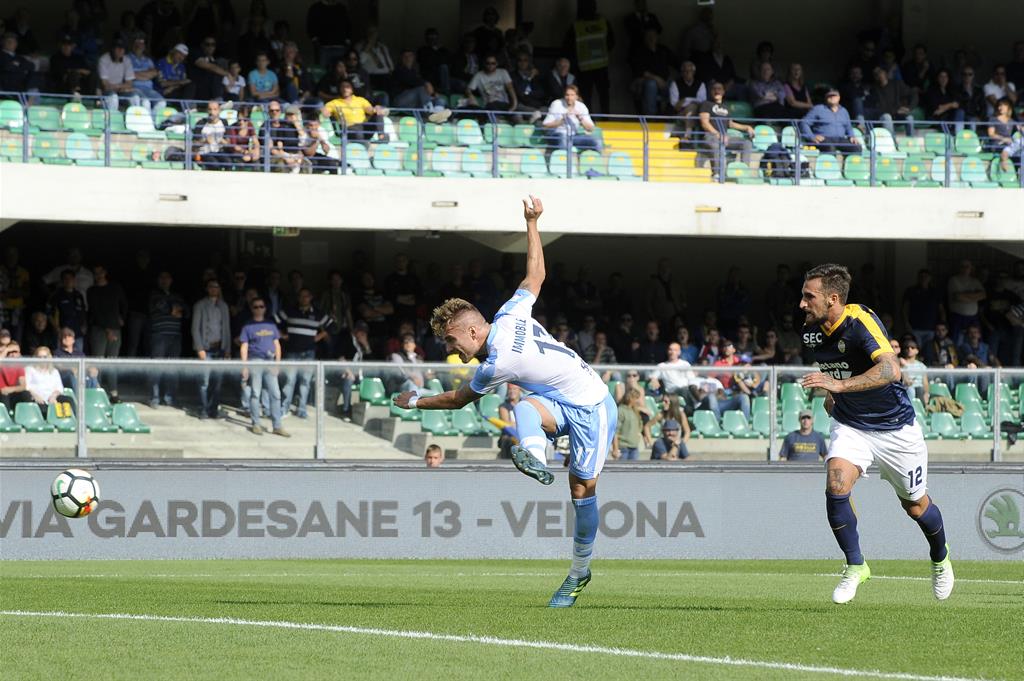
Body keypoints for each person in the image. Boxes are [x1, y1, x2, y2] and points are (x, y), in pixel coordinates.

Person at [394, 196, 616, 608]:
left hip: (593, 405)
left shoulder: (497, 364)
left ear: (472, 332)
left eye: (452, 340)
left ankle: (578, 572)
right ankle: (535, 456)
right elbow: (536, 275)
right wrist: (532, 223)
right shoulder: (510, 313)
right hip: (558, 400)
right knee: (525, 406)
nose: (452, 349)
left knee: (581, 488)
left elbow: (458, 400)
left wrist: (415, 401)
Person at [797, 263, 953, 604]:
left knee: (916, 507)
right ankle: (856, 566)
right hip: (851, 424)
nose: (802, 304)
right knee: (836, 483)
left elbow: (891, 369)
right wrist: (833, 393)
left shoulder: (860, 322)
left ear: (832, 298)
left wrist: (839, 385)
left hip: (895, 428)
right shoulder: (810, 331)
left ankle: (940, 557)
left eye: (809, 297)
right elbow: (838, 368)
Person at [277, 288, 332, 419]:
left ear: (310, 297)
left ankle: (302, 409)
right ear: (298, 298)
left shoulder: (318, 313)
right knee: (289, 381)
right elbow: (272, 321)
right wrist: (282, 335)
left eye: (306, 296)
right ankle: (284, 408)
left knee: (305, 381)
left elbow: (332, 326)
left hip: (309, 352)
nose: (303, 298)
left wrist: (319, 336)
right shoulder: (290, 311)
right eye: (301, 296)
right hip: (292, 352)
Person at [240, 296, 289, 437]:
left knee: (276, 394)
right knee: (255, 393)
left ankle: (277, 425)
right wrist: (244, 366)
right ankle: (256, 424)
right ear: (251, 309)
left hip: (270, 361)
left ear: (265, 308)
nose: (259, 309)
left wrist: (277, 364)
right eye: (255, 306)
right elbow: (244, 346)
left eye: (261, 306)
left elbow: (277, 345)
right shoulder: (248, 326)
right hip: (255, 361)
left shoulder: (271, 324)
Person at [192, 277, 231, 419]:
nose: (214, 289)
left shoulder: (223, 306)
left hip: (220, 348)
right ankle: (203, 409)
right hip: (206, 348)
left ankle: (213, 409)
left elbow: (226, 328)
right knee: (204, 382)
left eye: (216, 287)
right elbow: (195, 328)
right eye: (211, 286)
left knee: (217, 382)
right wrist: (199, 348)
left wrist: (227, 349)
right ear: (207, 289)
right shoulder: (200, 305)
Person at [699, 81, 754, 179]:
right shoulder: (706, 104)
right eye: (714, 89)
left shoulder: (725, 107)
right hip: (710, 136)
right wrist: (717, 134)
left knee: (746, 143)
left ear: (723, 92)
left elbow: (730, 124)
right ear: (711, 91)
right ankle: (717, 174)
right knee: (716, 145)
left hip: (724, 137)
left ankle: (744, 172)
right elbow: (705, 123)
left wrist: (746, 127)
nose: (717, 91)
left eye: (719, 89)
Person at [799, 89, 861, 154]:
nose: (832, 97)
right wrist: (812, 137)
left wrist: (852, 136)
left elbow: (848, 127)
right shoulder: (818, 109)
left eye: (834, 95)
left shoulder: (844, 111)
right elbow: (804, 123)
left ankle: (847, 161)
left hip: (840, 139)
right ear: (826, 98)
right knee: (830, 148)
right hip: (824, 139)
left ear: (839, 97)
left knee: (857, 148)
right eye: (829, 96)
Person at [541, 84, 600, 152]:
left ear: (577, 96)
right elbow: (545, 125)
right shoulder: (556, 104)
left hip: (573, 136)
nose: (569, 98)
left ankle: (599, 158)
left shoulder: (581, 106)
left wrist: (580, 118)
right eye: (567, 95)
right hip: (556, 135)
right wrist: (562, 120)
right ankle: (564, 158)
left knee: (596, 141)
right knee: (563, 138)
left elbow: (591, 128)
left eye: (572, 95)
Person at [613, 387, 650, 460]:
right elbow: (615, 432)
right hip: (623, 447)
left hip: (634, 447)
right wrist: (615, 449)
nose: (638, 401)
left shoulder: (635, 411)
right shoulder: (621, 410)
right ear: (630, 398)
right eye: (636, 398)